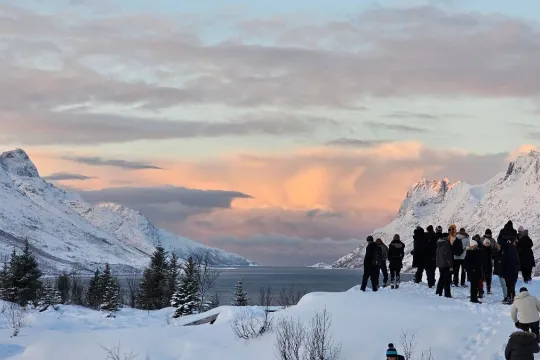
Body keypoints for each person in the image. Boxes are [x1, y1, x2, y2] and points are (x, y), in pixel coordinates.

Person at [436, 232, 453, 298]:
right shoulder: (446, 244)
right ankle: (447, 294)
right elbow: (448, 256)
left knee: (442, 278)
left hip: (441, 264)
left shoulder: (439, 244)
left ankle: (438, 292)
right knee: (447, 280)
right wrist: (451, 265)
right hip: (446, 265)